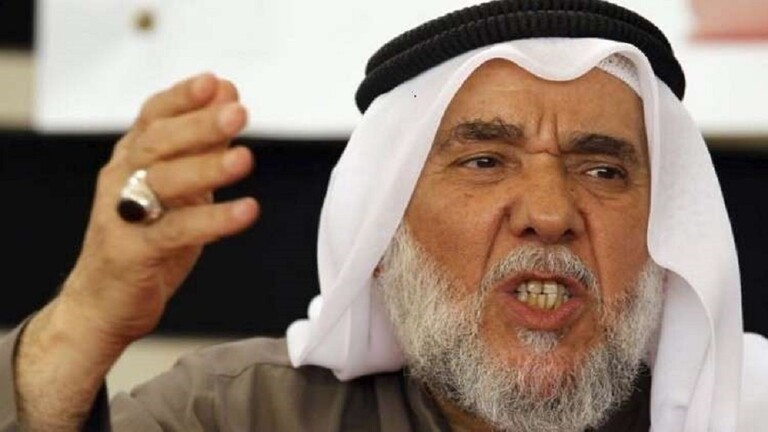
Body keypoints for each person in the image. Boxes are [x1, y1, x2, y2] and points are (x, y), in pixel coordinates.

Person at [2, 0, 767, 431]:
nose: (548, 212)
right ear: (381, 227)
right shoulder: (242, 413)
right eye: (484, 161)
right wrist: (86, 319)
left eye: (602, 170)